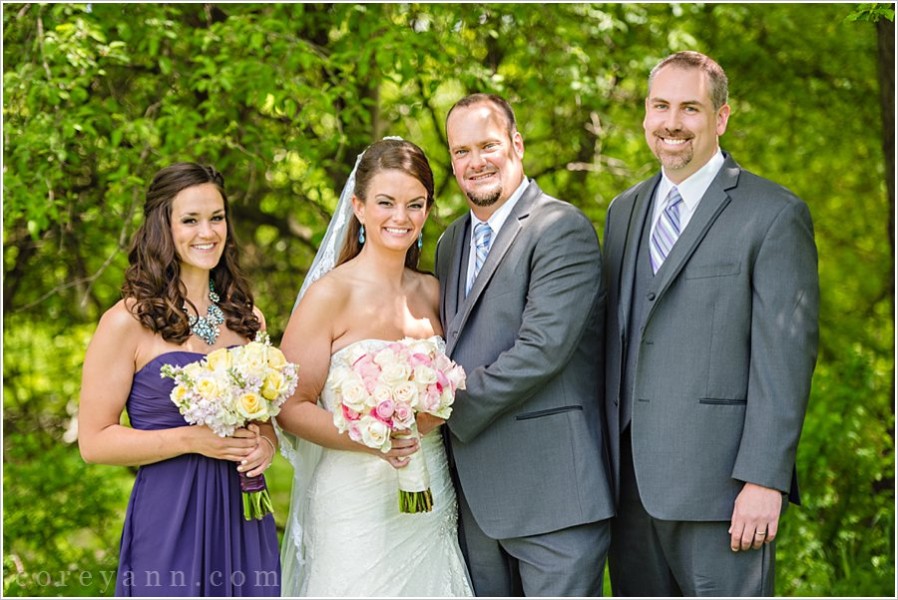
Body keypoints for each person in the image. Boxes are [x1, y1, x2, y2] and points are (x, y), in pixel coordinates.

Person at [603, 51, 820, 596]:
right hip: (628, 492)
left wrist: (765, 478)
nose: (672, 122)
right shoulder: (623, 211)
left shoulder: (772, 214)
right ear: (646, 115)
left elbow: (785, 359)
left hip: (722, 494)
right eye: (660, 106)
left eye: (690, 108)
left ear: (720, 118)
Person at [274, 138, 473, 597]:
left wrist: (431, 413)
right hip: (352, 499)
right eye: (386, 203)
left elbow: (454, 388)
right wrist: (372, 439)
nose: (400, 217)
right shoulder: (329, 295)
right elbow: (291, 406)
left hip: (431, 491)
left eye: (414, 204)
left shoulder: (433, 292)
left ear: (426, 211)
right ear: (359, 207)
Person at [434, 93, 614, 596]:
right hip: (474, 498)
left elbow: (542, 349)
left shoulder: (561, 229)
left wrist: (441, 406)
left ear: (516, 144)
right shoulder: (450, 243)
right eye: (461, 151)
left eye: (487, 145)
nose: (475, 162)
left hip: (553, 496)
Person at [78, 162, 280, 596]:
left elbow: (266, 424)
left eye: (216, 218)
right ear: (162, 227)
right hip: (170, 512)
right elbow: (94, 442)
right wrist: (192, 439)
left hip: (244, 510)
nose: (207, 232)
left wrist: (266, 445)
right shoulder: (125, 322)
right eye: (190, 220)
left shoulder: (248, 318)